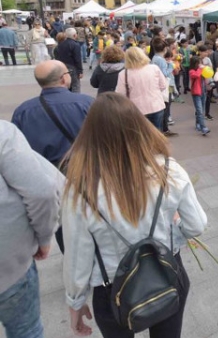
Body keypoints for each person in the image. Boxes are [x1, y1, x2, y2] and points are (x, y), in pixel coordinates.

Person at [61, 92, 207, 338]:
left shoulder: (80, 188)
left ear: (90, 134)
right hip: (167, 273)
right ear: (139, 126)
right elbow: (197, 225)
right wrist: (174, 231)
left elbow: (77, 257)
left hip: (112, 290)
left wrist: (75, 302)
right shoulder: (169, 169)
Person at [0, 121, 62, 338]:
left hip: (10, 266)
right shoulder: (4, 134)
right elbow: (41, 191)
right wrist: (44, 237)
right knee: (26, 331)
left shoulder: (20, 117)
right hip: (10, 267)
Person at [116, 47, 168, 130]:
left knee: (140, 136)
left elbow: (120, 94)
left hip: (135, 109)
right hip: (156, 105)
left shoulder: (123, 74)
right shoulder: (154, 68)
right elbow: (163, 86)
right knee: (157, 134)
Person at [150, 37, 177, 137]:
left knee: (166, 106)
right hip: (166, 85)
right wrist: (171, 66)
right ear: (165, 49)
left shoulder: (154, 58)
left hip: (164, 85)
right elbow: (164, 74)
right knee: (166, 106)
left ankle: (164, 128)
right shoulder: (161, 60)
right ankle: (164, 129)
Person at [56, 28, 84, 93]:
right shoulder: (75, 45)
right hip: (72, 67)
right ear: (74, 35)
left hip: (62, 67)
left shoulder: (60, 45)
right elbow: (77, 59)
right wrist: (80, 71)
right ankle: (75, 100)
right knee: (75, 85)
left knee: (66, 85)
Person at [188, 56, 210, 136]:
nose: (200, 64)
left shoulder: (201, 70)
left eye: (201, 62)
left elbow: (207, 76)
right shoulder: (191, 71)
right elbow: (196, 75)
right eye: (199, 63)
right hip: (196, 93)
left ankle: (198, 123)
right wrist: (201, 69)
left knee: (201, 110)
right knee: (200, 111)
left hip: (203, 92)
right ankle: (203, 127)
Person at [198, 45, 215, 121]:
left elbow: (211, 68)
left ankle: (207, 113)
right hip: (200, 81)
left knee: (208, 97)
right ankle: (200, 113)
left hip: (208, 80)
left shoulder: (208, 59)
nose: (206, 53)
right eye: (204, 52)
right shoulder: (197, 59)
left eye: (206, 51)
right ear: (200, 52)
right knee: (201, 98)